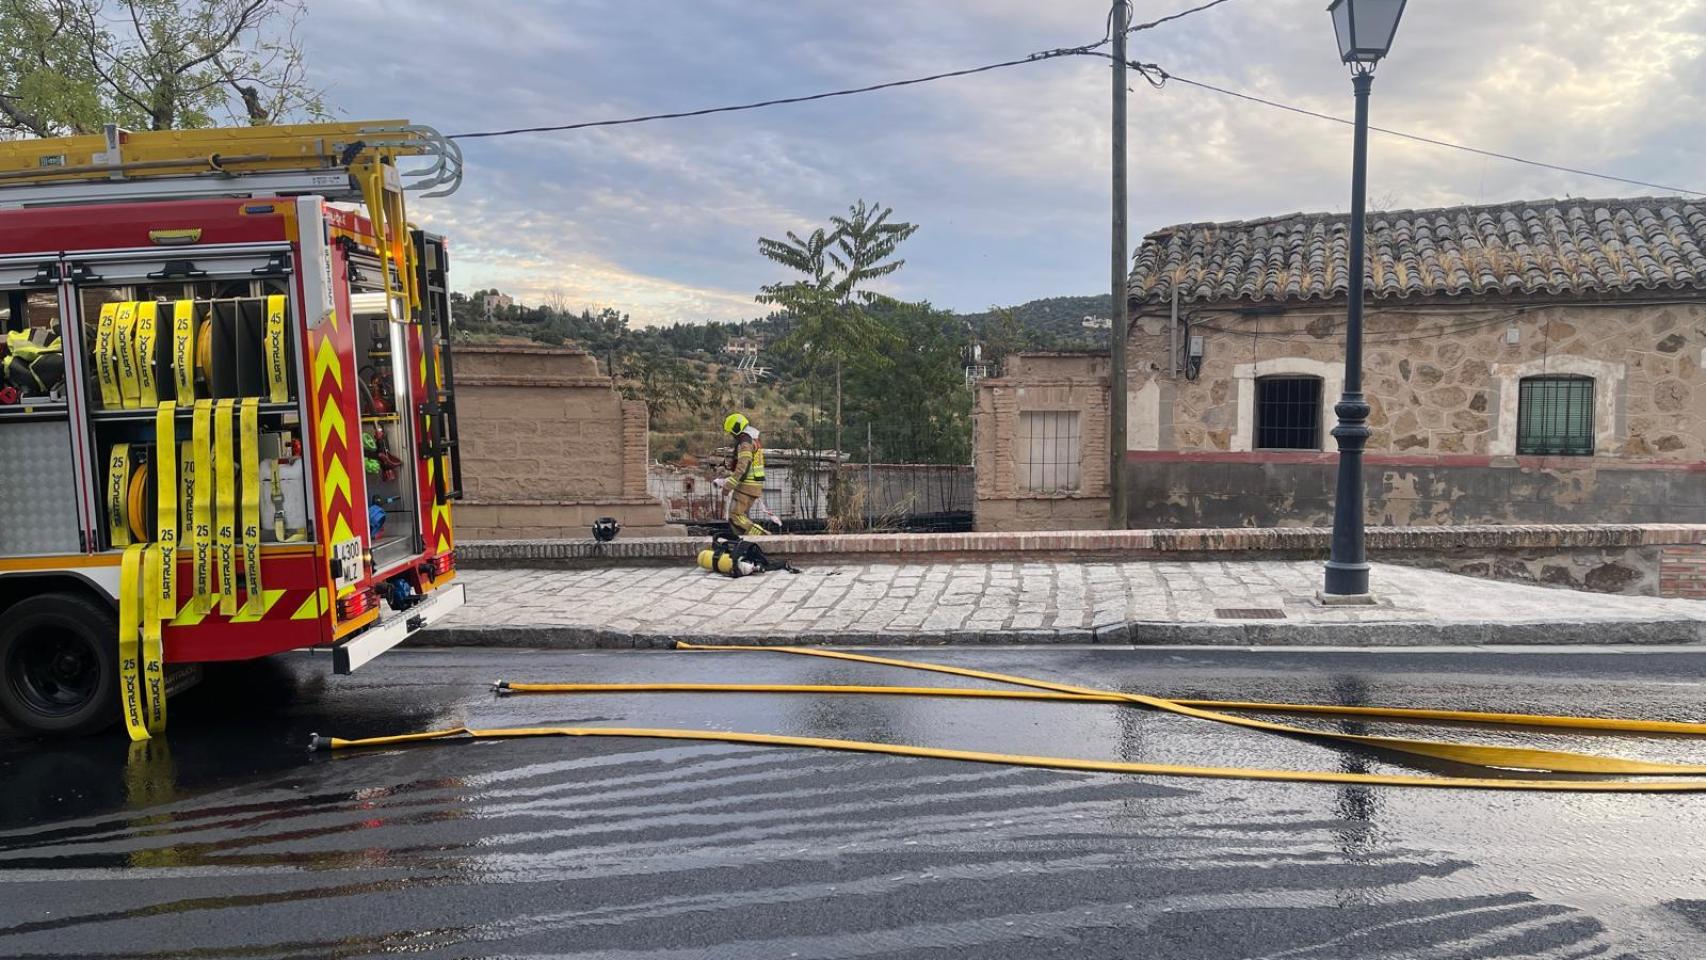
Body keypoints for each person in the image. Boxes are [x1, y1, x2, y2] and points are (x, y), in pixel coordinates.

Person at [713, 412, 767, 537]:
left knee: (735, 516)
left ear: (736, 428)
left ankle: (764, 537)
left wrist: (729, 485)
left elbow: (743, 466)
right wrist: (727, 474)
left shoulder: (745, 443)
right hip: (752, 485)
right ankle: (745, 542)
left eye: (732, 432)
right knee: (736, 519)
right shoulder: (751, 439)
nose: (732, 435)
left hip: (746, 486)